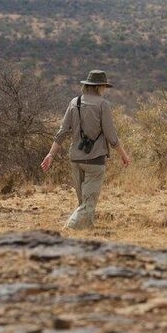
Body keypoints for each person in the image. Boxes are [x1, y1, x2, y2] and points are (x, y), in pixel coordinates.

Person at [41, 70, 131, 230]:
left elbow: (62, 132)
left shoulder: (74, 102)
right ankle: (68, 229)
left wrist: (50, 154)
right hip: (95, 162)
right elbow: (111, 136)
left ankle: (87, 233)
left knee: (83, 203)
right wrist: (123, 155)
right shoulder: (103, 104)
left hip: (75, 159)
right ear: (100, 86)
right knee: (88, 204)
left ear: (87, 85)